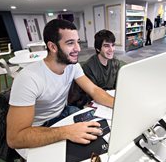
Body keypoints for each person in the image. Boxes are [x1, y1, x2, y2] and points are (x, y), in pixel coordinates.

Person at [6, 19, 114, 151]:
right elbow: (14, 138)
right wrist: (66, 132)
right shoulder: (28, 78)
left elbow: (94, 90)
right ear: (52, 47)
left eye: (78, 42)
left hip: (64, 113)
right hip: (39, 128)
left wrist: (118, 104)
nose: (78, 49)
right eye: (70, 43)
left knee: (100, 134)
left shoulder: (72, 66)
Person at [68, 29, 120, 108]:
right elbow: (93, 94)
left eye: (113, 45)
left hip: (111, 98)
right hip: (97, 102)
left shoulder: (115, 63)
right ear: (98, 48)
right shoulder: (89, 67)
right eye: (106, 46)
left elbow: (118, 85)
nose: (111, 49)